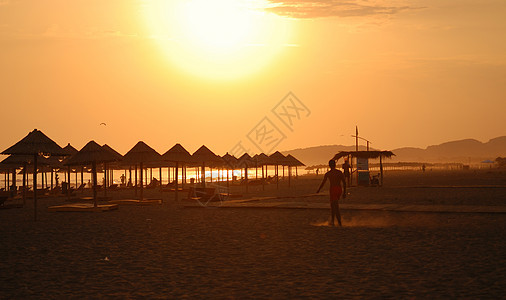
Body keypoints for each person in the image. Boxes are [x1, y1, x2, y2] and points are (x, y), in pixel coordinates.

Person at [316, 159, 347, 226]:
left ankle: (339, 223)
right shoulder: (339, 172)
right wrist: (344, 192)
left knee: (335, 207)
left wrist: (318, 190)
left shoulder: (328, 173)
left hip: (333, 189)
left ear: (329, 165)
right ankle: (332, 221)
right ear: (335, 165)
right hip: (339, 189)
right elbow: (344, 183)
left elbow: (323, 183)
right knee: (333, 205)